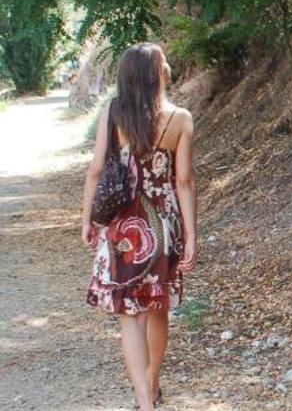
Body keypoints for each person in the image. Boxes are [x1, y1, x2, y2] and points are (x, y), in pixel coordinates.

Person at [80, 43, 197, 410]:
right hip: (163, 225)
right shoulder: (180, 118)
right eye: (164, 65)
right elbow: (185, 182)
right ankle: (152, 386)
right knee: (158, 307)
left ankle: (145, 403)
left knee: (129, 316)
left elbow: (97, 169)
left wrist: (87, 218)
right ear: (156, 74)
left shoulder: (114, 113)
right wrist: (191, 234)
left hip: (122, 229)